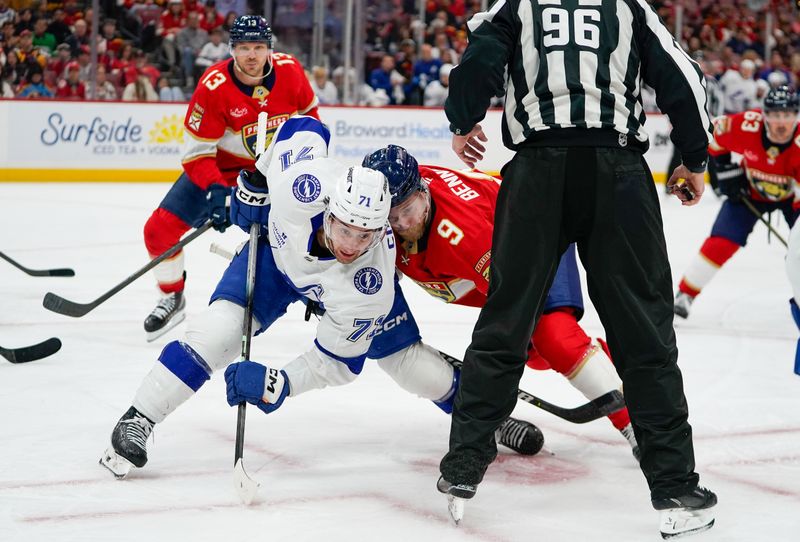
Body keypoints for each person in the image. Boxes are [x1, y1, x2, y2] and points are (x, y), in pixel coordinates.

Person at [100, 116, 540, 479]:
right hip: (276, 260)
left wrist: (281, 384)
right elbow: (302, 127)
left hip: (341, 291)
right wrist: (255, 179)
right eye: (344, 229)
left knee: (410, 367)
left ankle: (488, 418)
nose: (351, 244)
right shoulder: (302, 184)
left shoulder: (371, 282)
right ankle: (139, 418)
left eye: (365, 235)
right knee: (218, 331)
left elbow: (337, 360)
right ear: (328, 208)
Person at [435, 2, 717, 538]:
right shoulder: (628, 7)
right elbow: (683, 77)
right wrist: (694, 157)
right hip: (618, 174)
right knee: (643, 332)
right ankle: (676, 488)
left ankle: (463, 468)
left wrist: (462, 119)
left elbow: (476, 68)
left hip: (537, 172)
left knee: (506, 321)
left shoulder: (514, 5)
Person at [363, 145, 639, 459]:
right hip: (497, 268)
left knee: (554, 338)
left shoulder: (463, 236)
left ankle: (638, 426)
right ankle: (599, 359)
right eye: (390, 215)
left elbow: (514, 300)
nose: (402, 224)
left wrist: (491, 378)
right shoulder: (379, 211)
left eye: (408, 210)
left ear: (423, 191)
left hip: (538, 235)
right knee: (537, 356)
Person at [140, 15, 318, 341]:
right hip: (220, 170)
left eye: (259, 47)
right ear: (232, 50)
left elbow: (311, 125)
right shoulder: (214, 86)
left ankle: (317, 290)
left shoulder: (291, 71)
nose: (252, 55)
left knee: (298, 236)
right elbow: (196, 153)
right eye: (244, 47)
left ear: (270, 49)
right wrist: (217, 190)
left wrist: (296, 169)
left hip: (272, 175)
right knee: (159, 230)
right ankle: (172, 296)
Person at [674, 86, 800, 319]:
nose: (781, 123)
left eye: (788, 115)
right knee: (721, 241)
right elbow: (713, 134)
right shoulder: (746, 126)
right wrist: (726, 168)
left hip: (792, 199)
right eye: (775, 115)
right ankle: (685, 294)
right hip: (749, 192)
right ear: (764, 115)